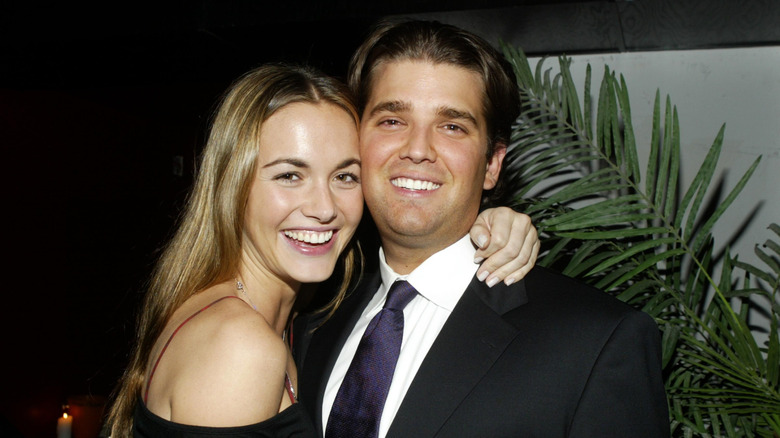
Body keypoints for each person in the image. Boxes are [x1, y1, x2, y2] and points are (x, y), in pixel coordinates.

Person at [105, 63, 539, 437]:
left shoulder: (292, 317)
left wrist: (485, 225)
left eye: (345, 177)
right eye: (290, 176)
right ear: (232, 185)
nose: (323, 208)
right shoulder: (239, 345)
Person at [294, 20, 670, 437]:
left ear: (492, 163)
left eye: (452, 126)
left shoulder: (597, 342)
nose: (417, 149)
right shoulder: (313, 317)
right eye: (392, 121)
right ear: (356, 141)